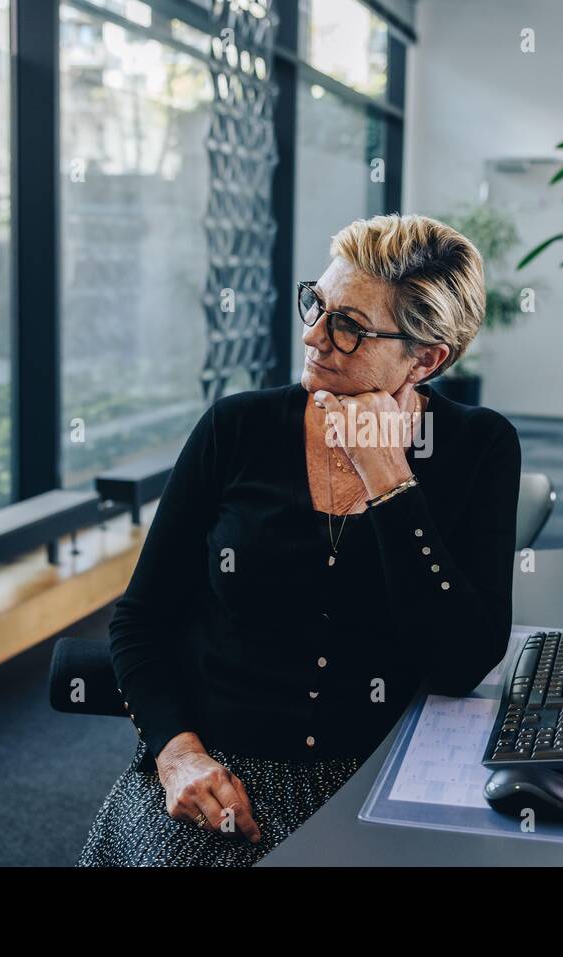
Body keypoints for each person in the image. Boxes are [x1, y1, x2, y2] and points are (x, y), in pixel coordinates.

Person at [77, 213, 522, 866]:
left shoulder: (478, 446)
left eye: (349, 326)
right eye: (317, 304)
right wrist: (177, 754)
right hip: (217, 760)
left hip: (381, 765)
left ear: (425, 359)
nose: (314, 336)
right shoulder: (237, 428)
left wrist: (389, 478)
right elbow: (140, 618)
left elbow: (461, 660)